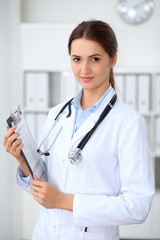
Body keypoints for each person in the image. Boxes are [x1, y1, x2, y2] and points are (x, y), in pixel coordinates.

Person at [3, 20, 155, 240]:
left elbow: (137, 206)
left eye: (95, 59)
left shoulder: (129, 123)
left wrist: (63, 201)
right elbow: (46, 186)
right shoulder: (56, 114)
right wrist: (22, 159)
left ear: (113, 59)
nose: (84, 69)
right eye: (77, 59)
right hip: (44, 233)